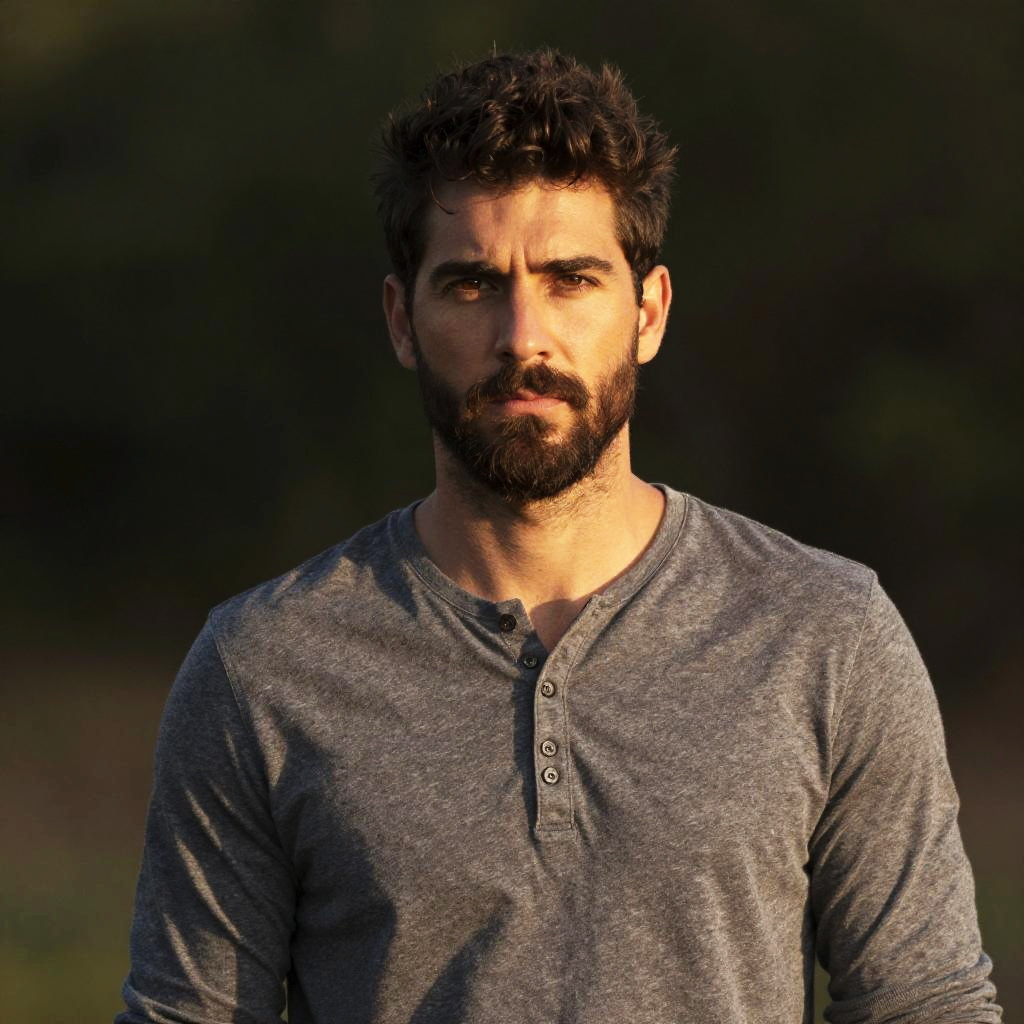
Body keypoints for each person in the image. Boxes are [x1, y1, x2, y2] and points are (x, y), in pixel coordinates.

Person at [118, 49, 1000, 1024]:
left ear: (647, 310)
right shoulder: (264, 669)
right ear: (400, 320)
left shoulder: (822, 634)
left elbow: (925, 1002)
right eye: (470, 285)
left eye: (571, 279)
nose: (522, 335)